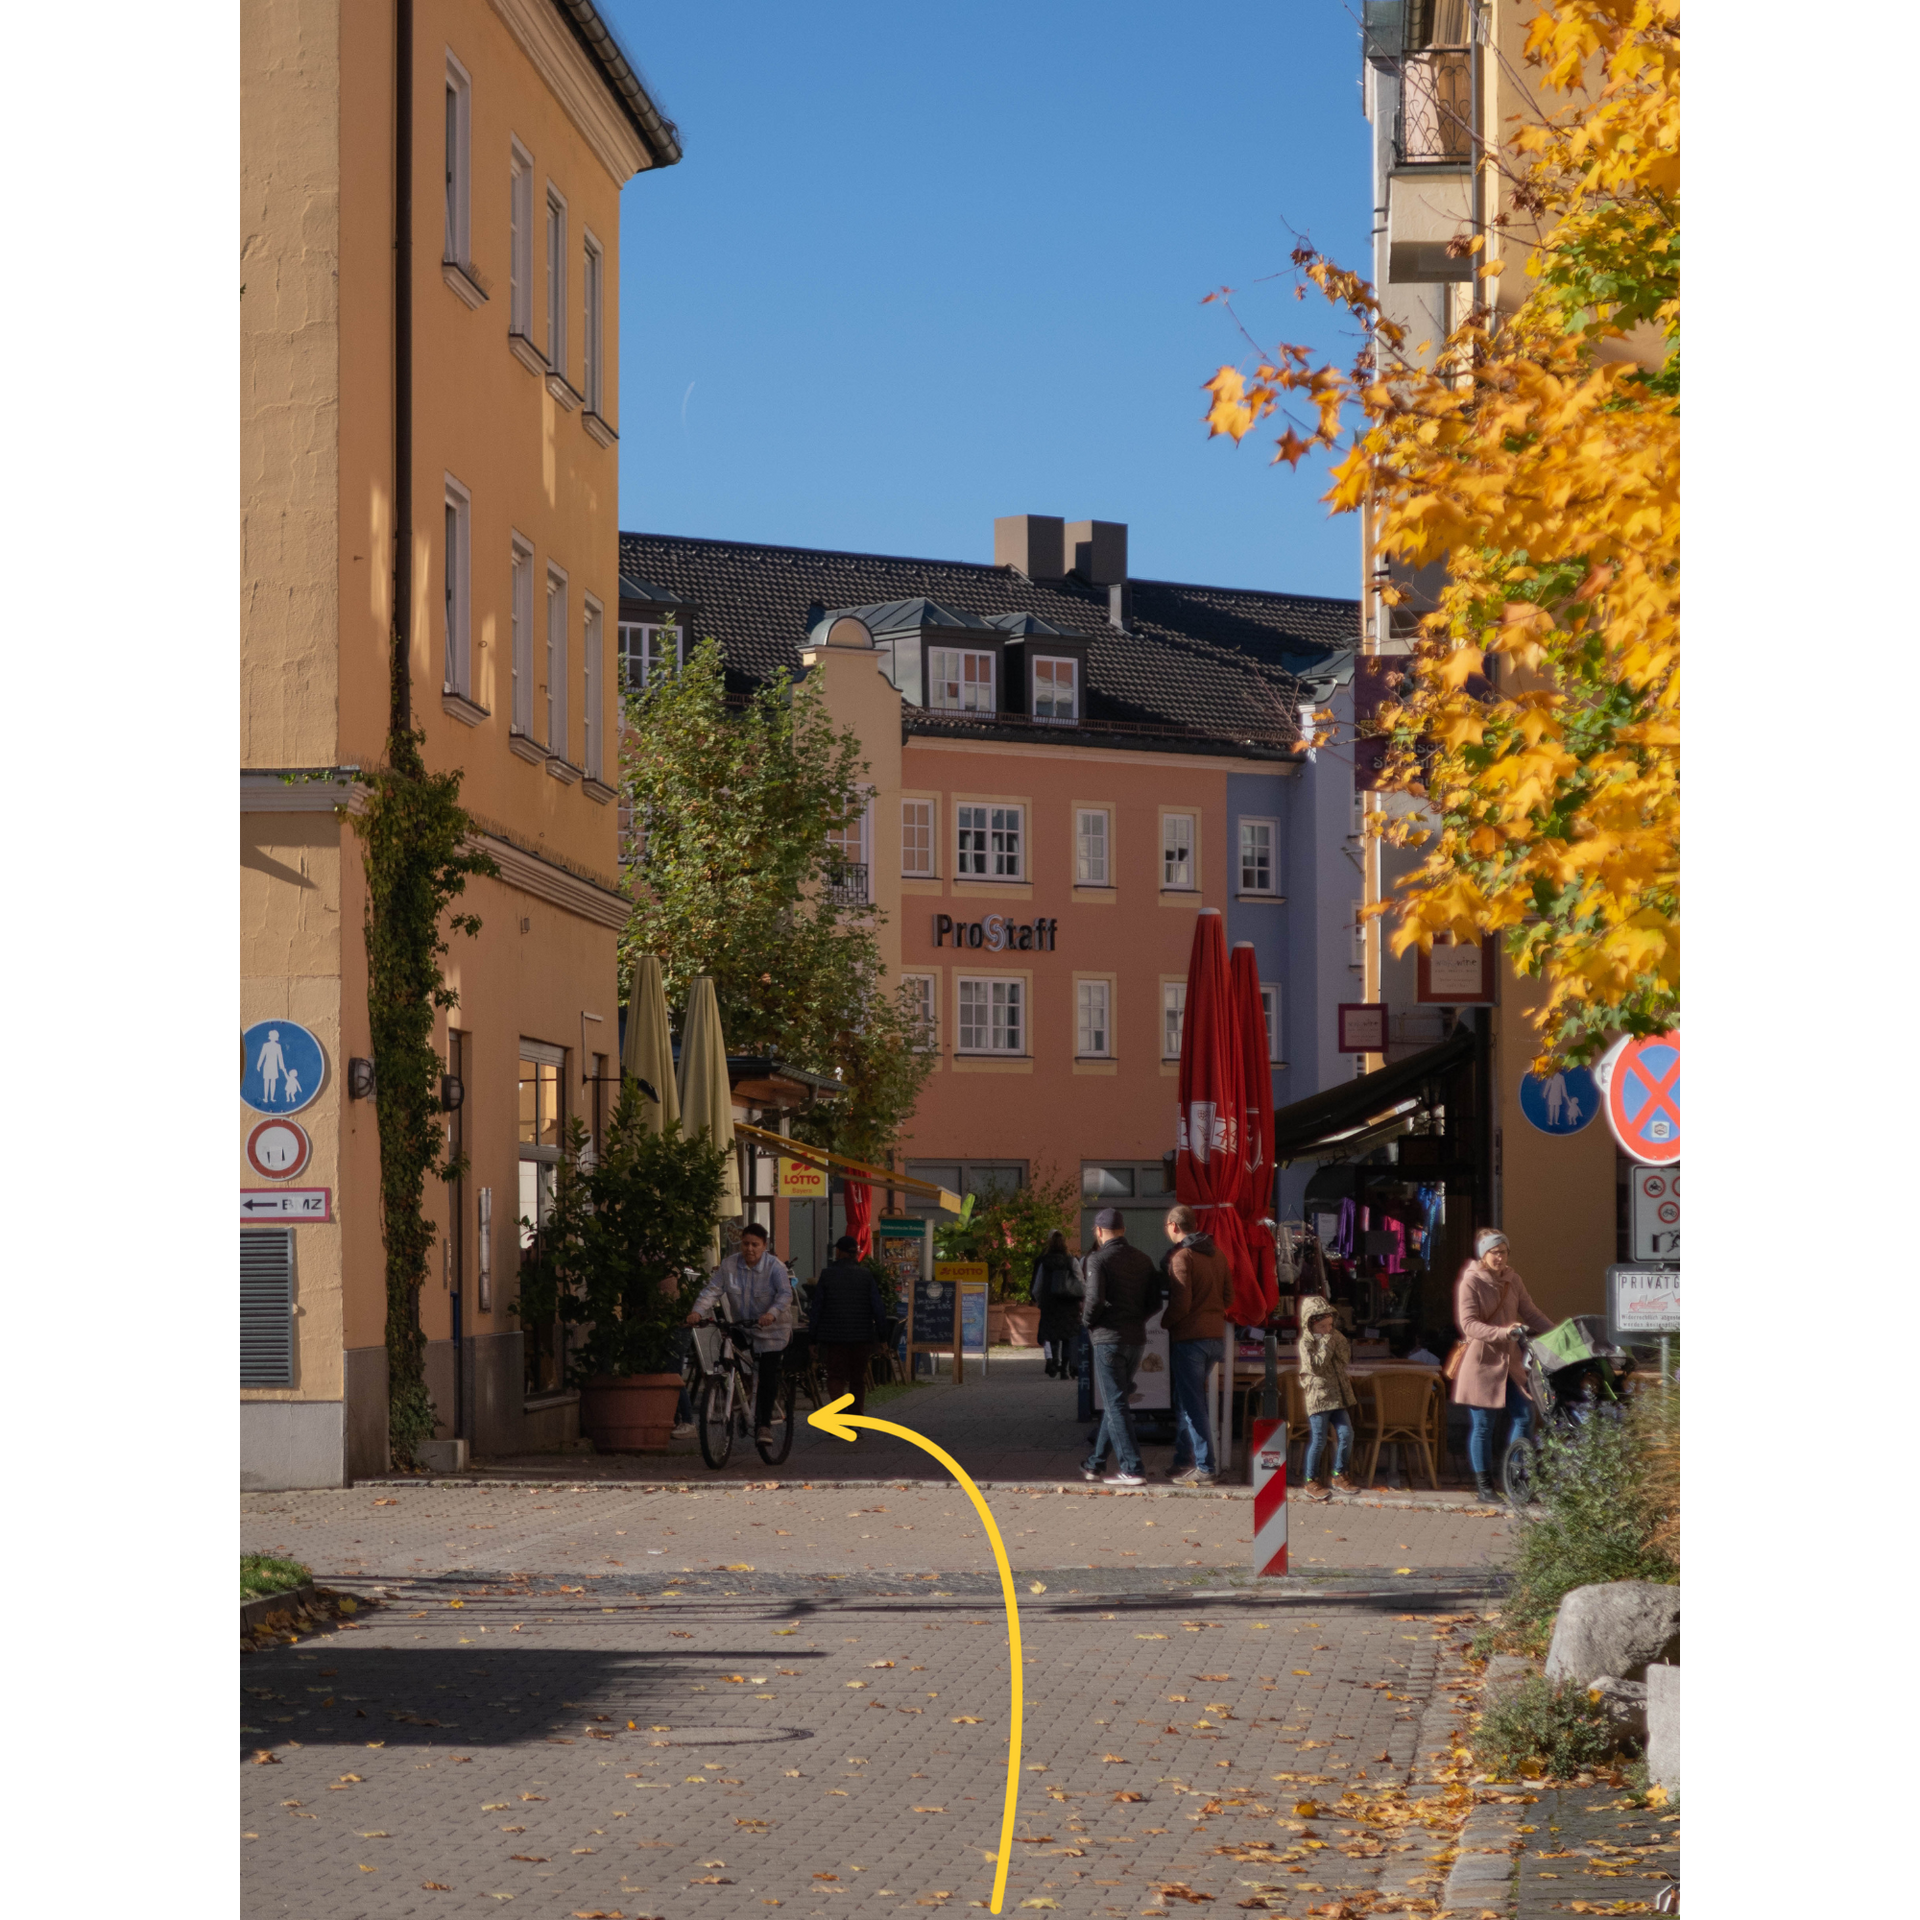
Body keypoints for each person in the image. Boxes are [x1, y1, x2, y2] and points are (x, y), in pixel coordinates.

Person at [1452, 1229, 1554, 1502]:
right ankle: (1484, 1486)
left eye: (1504, 1252)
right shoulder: (1471, 1281)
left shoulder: (1513, 1279)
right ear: (1483, 1254)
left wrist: (1557, 1334)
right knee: (1483, 1425)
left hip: (1510, 1363)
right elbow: (1469, 1324)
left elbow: (1531, 1312)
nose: (1499, 1257)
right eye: (1494, 1252)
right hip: (1482, 1362)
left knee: (1525, 1416)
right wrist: (1503, 1333)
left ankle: (1517, 1479)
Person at [1078, 1207, 1164, 1486]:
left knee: (1115, 1404)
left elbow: (1094, 1300)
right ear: (1124, 1230)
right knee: (1117, 1401)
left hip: (1108, 1339)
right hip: (1135, 1339)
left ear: (1098, 1232)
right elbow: (1155, 1302)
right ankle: (1095, 1464)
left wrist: (1087, 1323)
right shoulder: (1143, 1259)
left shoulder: (1098, 1259)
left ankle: (1133, 1468)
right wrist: (1136, 1320)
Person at [687, 1221, 793, 1445]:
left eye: (755, 1244)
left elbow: (785, 1294)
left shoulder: (775, 1267)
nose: (749, 1249)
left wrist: (771, 1314)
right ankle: (733, 1395)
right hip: (743, 1326)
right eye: (746, 1244)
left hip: (771, 1331)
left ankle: (764, 1424)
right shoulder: (729, 1265)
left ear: (764, 1246)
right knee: (725, 1354)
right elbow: (712, 1290)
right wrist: (697, 1312)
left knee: (767, 1373)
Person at [1162, 1203, 1230, 1486]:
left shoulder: (1182, 1257)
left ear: (1174, 1226)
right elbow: (1229, 1297)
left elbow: (1181, 1303)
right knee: (1189, 1401)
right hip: (1216, 1337)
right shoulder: (1218, 1254)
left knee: (1193, 1406)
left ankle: (1205, 1466)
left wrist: (1165, 1322)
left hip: (1190, 1338)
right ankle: (1183, 1458)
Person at [811, 1235, 886, 1416]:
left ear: (838, 1252)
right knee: (857, 1379)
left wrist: (812, 1339)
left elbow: (816, 1308)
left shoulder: (827, 1275)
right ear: (855, 1253)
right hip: (861, 1337)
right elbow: (878, 1307)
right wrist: (883, 1337)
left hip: (834, 1337)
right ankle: (856, 1417)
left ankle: (840, 1412)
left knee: (835, 1376)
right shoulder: (866, 1276)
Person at [1298, 1293, 1359, 1499]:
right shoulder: (1307, 1343)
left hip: (1338, 1397)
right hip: (1319, 1398)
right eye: (1323, 1326)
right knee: (1319, 1440)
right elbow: (1317, 1366)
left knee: (1346, 1433)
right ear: (1311, 1324)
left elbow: (1344, 1359)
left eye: (1330, 1325)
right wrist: (1326, 1344)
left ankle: (1339, 1474)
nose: (1327, 1330)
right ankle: (1311, 1479)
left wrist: (1337, 1341)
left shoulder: (1334, 1337)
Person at [1032, 1230, 1084, 1378]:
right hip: (1069, 1304)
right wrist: (1081, 1297)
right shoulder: (1071, 1260)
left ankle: (1055, 1359)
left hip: (1050, 1304)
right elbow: (1080, 1281)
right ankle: (1065, 1369)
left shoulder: (1045, 1262)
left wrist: (1039, 1300)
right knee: (1067, 1337)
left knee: (1053, 1335)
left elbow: (1038, 1286)